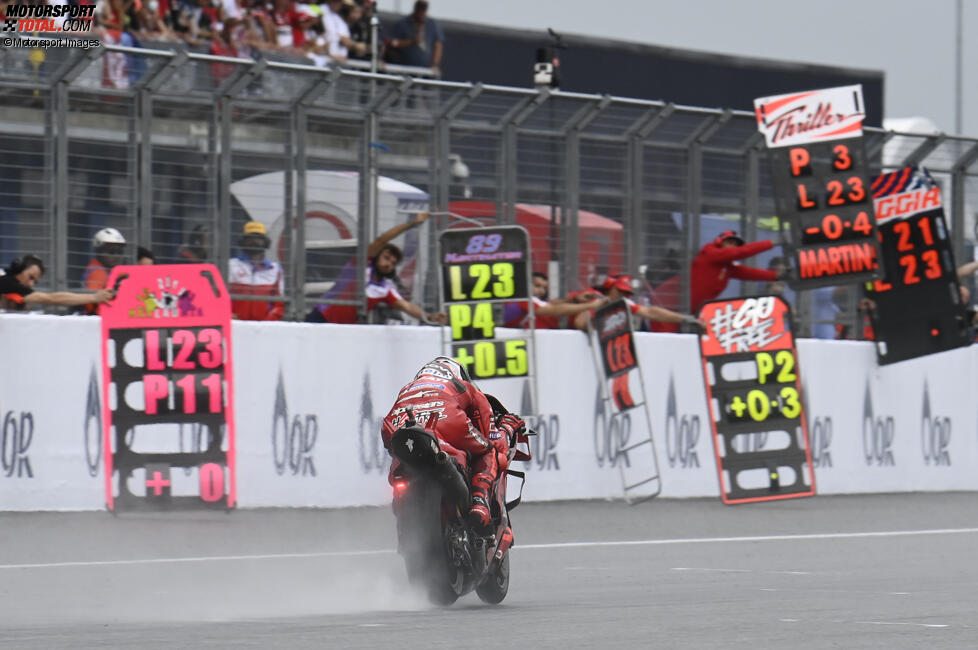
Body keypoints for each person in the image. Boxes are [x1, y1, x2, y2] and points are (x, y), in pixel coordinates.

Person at [380, 356, 523, 529]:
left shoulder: (407, 388)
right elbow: (494, 440)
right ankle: (480, 504)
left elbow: (389, 442)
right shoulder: (462, 385)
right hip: (448, 420)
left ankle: (402, 512)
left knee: (400, 460)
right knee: (489, 451)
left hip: (397, 424)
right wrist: (508, 427)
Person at [306, 211, 446, 324]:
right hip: (321, 317)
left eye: (392, 263)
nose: (388, 264)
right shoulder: (360, 265)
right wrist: (411, 224)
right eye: (386, 258)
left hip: (345, 329)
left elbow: (407, 306)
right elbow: (383, 240)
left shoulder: (385, 289)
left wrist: (430, 317)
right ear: (377, 256)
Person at [572, 274, 705, 331]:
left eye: (626, 293)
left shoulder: (620, 302)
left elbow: (650, 312)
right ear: (609, 286)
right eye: (619, 291)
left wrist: (686, 319)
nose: (622, 296)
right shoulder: (594, 297)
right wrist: (600, 313)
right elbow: (580, 323)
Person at [1, 255, 115, 312]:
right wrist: (94, 297)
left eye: (34, 281)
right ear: (18, 269)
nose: (31, 284)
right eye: (30, 277)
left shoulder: (6, 281)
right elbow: (51, 299)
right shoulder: (10, 283)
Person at [502, 271, 605, 329]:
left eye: (544, 288)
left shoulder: (515, 297)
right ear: (526, 283)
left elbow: (550, 304)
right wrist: (591, 306)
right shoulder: (526, 301)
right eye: (537, 286)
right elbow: (553, 309)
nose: (541, 291)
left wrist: (575, 299)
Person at [228, 221, 286, 321]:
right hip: (235, 325)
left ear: (265, 242)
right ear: (243, 241)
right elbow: (220, 295)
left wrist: (267, 323)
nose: (254, 241)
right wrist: (228, 315)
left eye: (258, 238)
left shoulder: (275, 269)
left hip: (265, 328)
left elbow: (279, 304)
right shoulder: (230, 265)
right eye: (250, 238)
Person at [387, 0, 443, 74]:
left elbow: (438, 46)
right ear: (415, 8)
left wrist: (435, 64)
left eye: (423, 9)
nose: (421, 12)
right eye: (419, 8)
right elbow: (393, 43)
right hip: (404, 70)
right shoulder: (403, 24)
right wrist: (411, 41)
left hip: (425, 71)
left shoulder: (432, 24)